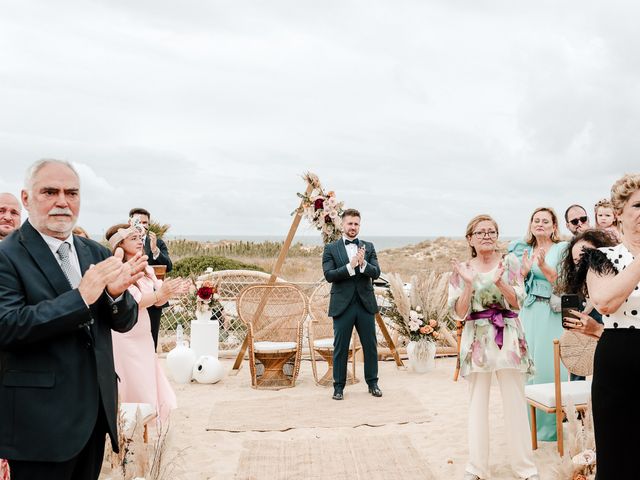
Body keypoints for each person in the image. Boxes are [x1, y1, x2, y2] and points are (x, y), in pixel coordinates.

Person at [0, 159, 146, 480]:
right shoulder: (6, 255)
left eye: (72, 193)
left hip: (94, 419)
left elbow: (123, 322)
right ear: (26, 199)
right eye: (50, 192)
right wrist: (80, 298)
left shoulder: (96, 253)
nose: (62, 201)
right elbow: (8, 326)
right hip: (38, 426)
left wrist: (117, 296)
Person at [449, 215, 538, 480]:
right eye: (480, 232)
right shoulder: (461, 268)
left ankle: (525, 468)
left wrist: (501, 283)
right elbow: (459, 313)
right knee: (477, 405)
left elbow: (519, 303)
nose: (487, 236)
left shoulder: (509, 263)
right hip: (476, 339)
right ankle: (477, 468)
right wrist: (467, 284)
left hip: (508, 338)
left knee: (514, 403)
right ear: (470, 239)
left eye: (491, 231)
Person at [581, 174, 640, 478]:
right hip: (620, 361)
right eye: (638, 205)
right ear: (618, 213)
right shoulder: (602, 257)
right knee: (619, 453)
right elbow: (605, 302)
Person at [105, 223, 188, 425]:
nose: (139, 241)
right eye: (133, 238)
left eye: (139, 237)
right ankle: (129, 426)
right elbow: (135, 302)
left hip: (143, 334)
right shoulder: (118, 270)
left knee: (147, 379)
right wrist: (159, 293)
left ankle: (146, 424)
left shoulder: (146, 267)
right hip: (124, 336)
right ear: (120, 245)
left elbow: (156, 300)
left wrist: (171, 290)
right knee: (134, 382)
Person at [510, 207, 568, 441]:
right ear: (531, 225)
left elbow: (563, 281)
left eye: (546, 221)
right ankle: (527, 424)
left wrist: (543, 266)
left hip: (551, 312)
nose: (540, 224)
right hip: (529, 310)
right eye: (536, 220)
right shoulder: (524, 249)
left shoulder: (562, 248)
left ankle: (550, 429)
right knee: (527, 366)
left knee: (548, 366)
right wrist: (522, 273)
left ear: (554, 226)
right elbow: (515, 283)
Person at [322, 208, 382, 401]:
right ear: (342, 225)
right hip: (342, 305)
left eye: (356, 224)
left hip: (365, 304)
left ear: (359, 226)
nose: (353, 227)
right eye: (350, 223)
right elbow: (329, 275)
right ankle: (338, 387)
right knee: (340, 347)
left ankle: (373, 383)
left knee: (370, 346)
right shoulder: (331, 249)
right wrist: (351, 266)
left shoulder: (369, 246)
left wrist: (363, 265)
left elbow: (376, 273)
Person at [129, 207, 173, 350]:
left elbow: (169, 266)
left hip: (155, 299)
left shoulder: (157, 243)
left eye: (145, 222)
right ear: (130, 222)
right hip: (132, 298)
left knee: (151, 337)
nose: (142, 225)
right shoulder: (124, 241)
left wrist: (155, 251)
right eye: (138, 221)